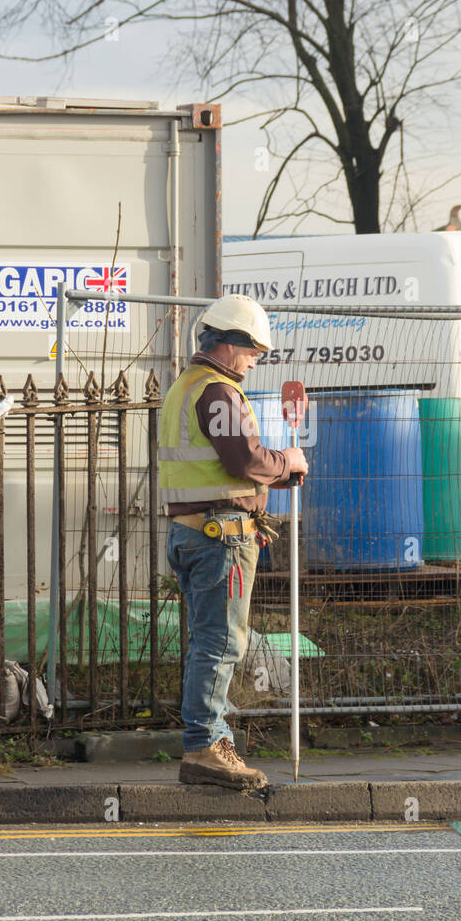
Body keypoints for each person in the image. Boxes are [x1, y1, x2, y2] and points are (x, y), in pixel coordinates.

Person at [158, 294, 309, 790]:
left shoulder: (184, 387)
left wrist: (273, 478)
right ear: (228, 345)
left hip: (192, 531)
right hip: (218, 539)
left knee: (208, 642)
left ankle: (208, 739)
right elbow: (244, 460)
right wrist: (288, 463)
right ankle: (205, 746)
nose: (254, 361)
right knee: (221, 644)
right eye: (253, 352)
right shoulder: (217, 392)